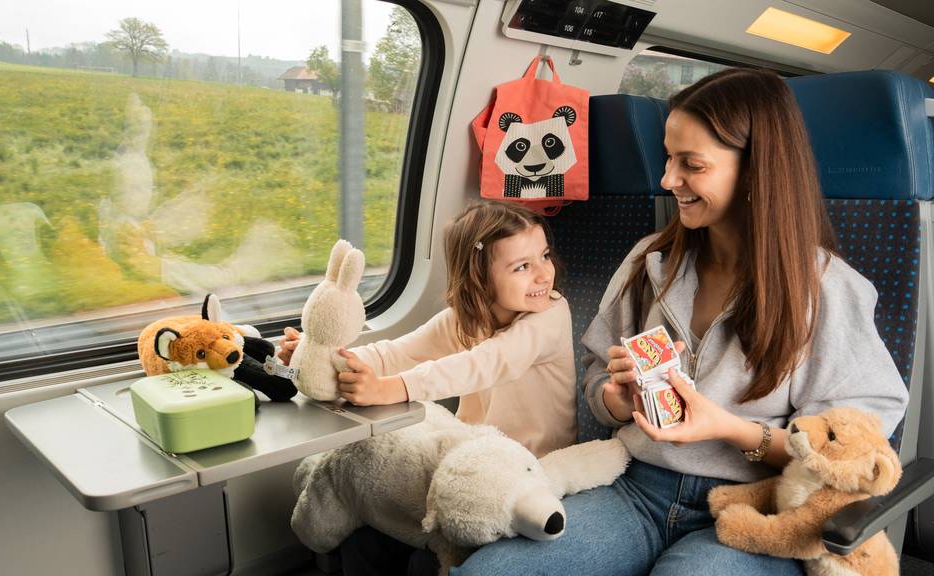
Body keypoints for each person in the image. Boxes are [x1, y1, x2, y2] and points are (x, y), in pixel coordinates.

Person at [451, 68, 909, 576]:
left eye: (691, 164)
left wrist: (732, 431)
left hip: (752, 506)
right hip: (634, 487)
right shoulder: (651, 260)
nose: (668, 179)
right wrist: (615, 398)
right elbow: (595, 371)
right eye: (669, 157)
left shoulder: (828, 290)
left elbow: (847, 452)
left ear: (756, 169)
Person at [278, 200, 578, 575]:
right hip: (466, 462)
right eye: (522, 266)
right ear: (480, 277)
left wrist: (391, 390)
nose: (543, 274)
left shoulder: (550, 314)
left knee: (423, 562)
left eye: (544, 256)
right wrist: (322, 358)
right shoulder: (462, 321)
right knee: (364, 543)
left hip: (533, 472)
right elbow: (395, 353)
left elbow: (482, 365)